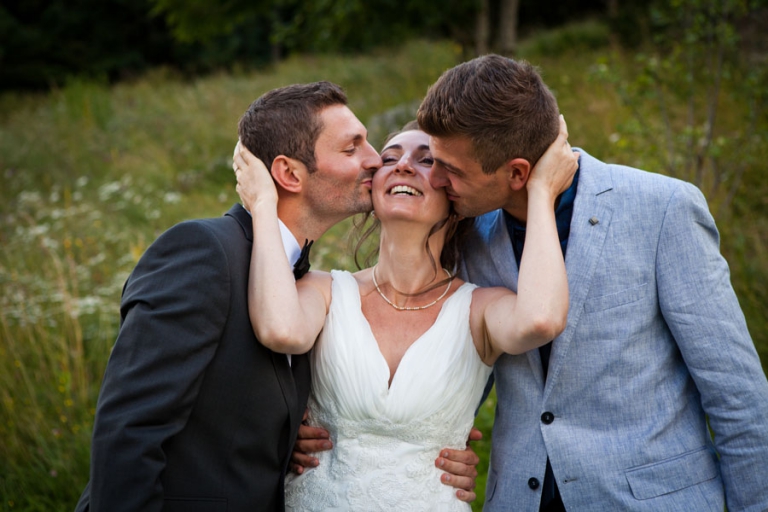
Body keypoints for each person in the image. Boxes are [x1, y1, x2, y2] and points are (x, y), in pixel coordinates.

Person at [74, 82, 473, 512]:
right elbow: (128, 428)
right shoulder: (204, 251)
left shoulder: (302, 285)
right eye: (352, 147)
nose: (375, 160)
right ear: (289, 175)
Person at [413, 55, 768, 511]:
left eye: (453, 170)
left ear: (518, 173)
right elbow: (453, 381)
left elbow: (737, 396)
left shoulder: (663, 209)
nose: (437, 181)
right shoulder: (467, 233)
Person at [232, 116, 578, 511]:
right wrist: (262, 204)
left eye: (426, 160)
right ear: (373, 188)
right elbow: (280, 330)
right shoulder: (325, 290)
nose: (402, 165)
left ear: (456, 193)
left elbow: (541, 320)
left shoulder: (479, 309)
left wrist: (540, 191)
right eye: (390, 157)